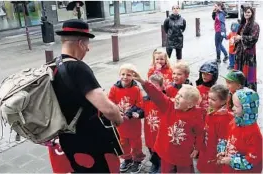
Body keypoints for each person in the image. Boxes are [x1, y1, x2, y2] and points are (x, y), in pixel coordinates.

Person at [50, 19, 124, 173]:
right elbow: (108, 109)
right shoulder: (78, 68)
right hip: (89, 140)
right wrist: (118, 118)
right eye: (87, 44)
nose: (88, 49)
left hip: (67, 138)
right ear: (80, 43)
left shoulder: (52, 66)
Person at [133, 71, 204, 173]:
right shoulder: (169, 106)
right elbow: (156, 94)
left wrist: (197, 148)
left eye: (181, 97)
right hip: (166, 152)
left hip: (183, 154)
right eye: (178, 95)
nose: (177, 98)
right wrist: (143, 82)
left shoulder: (196, 115)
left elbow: (200, 133)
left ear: (189, 105)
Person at [108, 63, 145, 173]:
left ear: (133, 76)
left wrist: (129, 114)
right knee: (123, 142)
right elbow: (110, 101)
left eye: (128, 75)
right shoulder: (114, 88)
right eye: (123, 74)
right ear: (119, 74)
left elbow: (139, 104)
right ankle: (127, 159)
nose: (125, 77)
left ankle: (138, 160)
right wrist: (115, 111)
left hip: (133, 123)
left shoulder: (136, 89)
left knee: (136, 143)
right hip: (120, 123)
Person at [217, 88, 262, 173]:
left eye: (236, 106)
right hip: (228, 170)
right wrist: (222, 150)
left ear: (247, 108)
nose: (232, 108)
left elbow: (252, 161)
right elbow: (225, 139)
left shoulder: (254, 133)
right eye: (233, 104)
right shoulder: (234, 122)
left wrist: (231, 161)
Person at [197, 84, 233, 173]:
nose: (209, 101)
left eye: (213, 99)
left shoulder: (224, 118)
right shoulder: (212, 109)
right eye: (209, 98)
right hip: (206, 146)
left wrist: (220, 156)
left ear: (223, 101)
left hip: (214, 152)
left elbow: (223, 140)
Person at [234, 6, 260, 92]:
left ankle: (249, 91)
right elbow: (238, 36)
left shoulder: (255, 25)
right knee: (239, 71)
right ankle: (239, 89)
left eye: (248, 12)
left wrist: (241, 37)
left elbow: (254, 38)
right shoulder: (242, 23)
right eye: (245, 12)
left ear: (252, 13)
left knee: (249, 73)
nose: (246, 13)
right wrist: (235, 39)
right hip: (240, 52)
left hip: (248, 54)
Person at [143, 74, 164, 173]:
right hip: (149, 130)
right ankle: (154, 163)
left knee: (160, 149)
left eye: (155, 86)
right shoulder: (145, 99)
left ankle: (161, 165)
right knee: (151, 147)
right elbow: (141, 110)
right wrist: (137, 113)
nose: (152, 89)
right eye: (150, 86)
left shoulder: (163, 101)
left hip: (160, 132)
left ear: (162, 87)